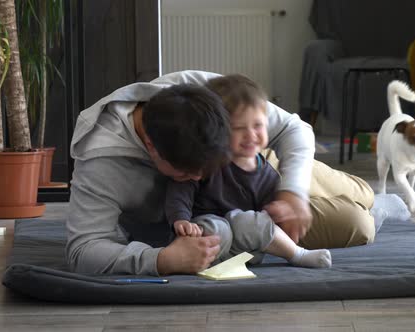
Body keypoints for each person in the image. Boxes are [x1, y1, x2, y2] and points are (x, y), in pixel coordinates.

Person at [66, 71, 315, 276]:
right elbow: (82, 250)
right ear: (151, 146)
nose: (198, 179)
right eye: (187, 174)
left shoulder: (205, 94)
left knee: (349, 217)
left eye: (208, 168)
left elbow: (294, 129)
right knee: (352, 221)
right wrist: (160, 260)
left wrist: (293, 192)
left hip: (260, 174)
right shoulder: (100, 162)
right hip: (213, 223)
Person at [165, 74, 332, 268]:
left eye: (258, 126)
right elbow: (179, 192)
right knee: (217, 227)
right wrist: (181, 220)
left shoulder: (267, 174)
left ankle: (297, 255)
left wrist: (280, 212)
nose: (251, 135)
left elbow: (267, 221)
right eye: (239, 128)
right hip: (208, 244)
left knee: (250, 222)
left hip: (246, 250)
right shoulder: (206, 163)